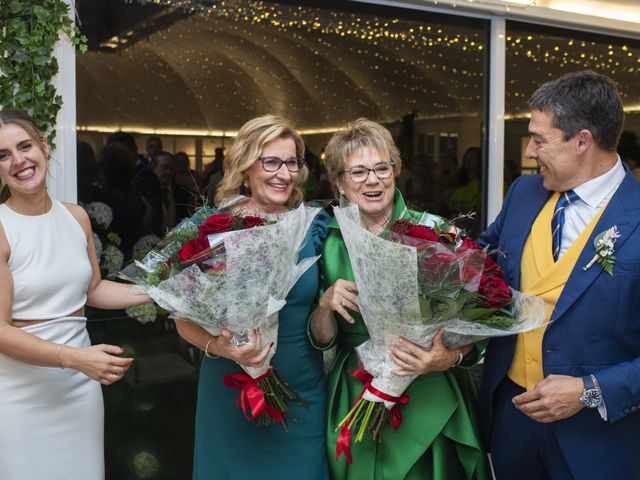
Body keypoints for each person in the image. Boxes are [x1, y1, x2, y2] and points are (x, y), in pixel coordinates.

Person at [477, 70, 640, 479]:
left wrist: (590, 392)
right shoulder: (523, 192)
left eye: (539, 139)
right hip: (513, 419)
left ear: (582, 140)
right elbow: (480, 261)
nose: (529, 151)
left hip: (600, 439)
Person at [309, 118, 489, 480]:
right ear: (339, 182)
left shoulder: (436, 234)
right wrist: (326, 304)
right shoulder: (324, 242)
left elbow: (480, 325)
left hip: (427, 389)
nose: (372, 180)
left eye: (381, 168)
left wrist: (450, 356)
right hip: (355, 391)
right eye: (358, 172)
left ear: (395, 171)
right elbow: (320, 338)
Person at [0, 107, 153, 479]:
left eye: (25, 146)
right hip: (21, 394)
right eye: (3, 155)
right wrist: (75, 358)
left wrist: (160, 292)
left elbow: (94, 289)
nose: (18, 161)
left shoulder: (76, 216)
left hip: (80, 391)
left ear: (44, 146)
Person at [174, 114, 329, 480]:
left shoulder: (313, 227)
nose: (284, 173)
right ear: (246, 167)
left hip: (301, 392)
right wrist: (220, 347)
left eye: (292, 162)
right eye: (271, 161)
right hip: (227, 391)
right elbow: (183, 319)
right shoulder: (211, 231)